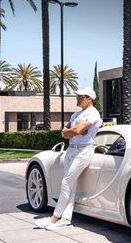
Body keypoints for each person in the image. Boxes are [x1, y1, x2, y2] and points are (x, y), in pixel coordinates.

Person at [35, 87, 102, 230]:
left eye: (80, 96)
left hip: (83, 151)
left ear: (89, 98)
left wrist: (72, 131)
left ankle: (54, 218)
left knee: (66, 183)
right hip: (71, 150)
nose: (76, 98)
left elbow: (78, 130)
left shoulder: (93, 113)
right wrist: (72, 131)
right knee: (70, 185)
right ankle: (65, 219)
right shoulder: (77, 114)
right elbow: (65, 132)